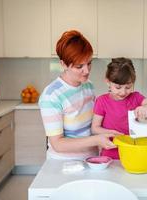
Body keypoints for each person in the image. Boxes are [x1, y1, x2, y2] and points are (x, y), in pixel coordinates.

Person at [39, 30, 115, 160]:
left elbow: (94, 124)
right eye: (79, 66)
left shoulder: (88, 85)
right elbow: (58, 144)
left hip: (92, 160)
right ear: (63, 64)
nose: (86, 70)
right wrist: (96, 140)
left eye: (89, 63)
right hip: (64, 164)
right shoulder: (51, 95)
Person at [91, 57, 147, 159]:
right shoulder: (102, 101)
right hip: (111, 152)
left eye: (128, 87)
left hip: (134, 151)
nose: (123, 92)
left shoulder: (135, 98)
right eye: (118, 87)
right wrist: (110, 132)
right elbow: (95, 128)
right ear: (108, 82)